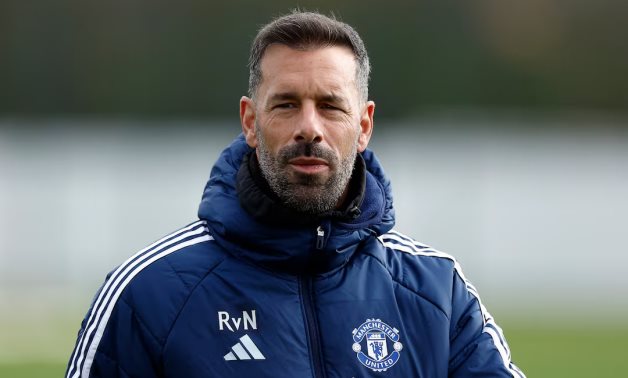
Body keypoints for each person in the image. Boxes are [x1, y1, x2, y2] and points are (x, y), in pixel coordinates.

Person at [66, 11, 525, 378]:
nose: (310, 128)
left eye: (330, 106)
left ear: (363, 125)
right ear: (250, 121)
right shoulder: (149, 294)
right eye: (286, 104)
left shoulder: (436, 292)